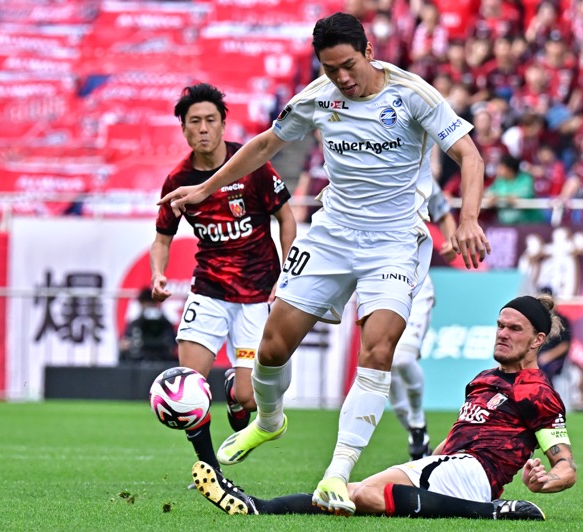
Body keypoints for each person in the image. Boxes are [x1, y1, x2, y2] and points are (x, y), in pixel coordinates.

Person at [158, 12, 490, 516]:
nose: (342, 78)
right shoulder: (318, 96)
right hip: (333, 234)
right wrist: (206, 188)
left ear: (369, 51)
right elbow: (268, 143)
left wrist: (467, 219)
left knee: (378, 348)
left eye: (349, 66)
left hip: (394, 241)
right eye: (331, 68)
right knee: (271, 348)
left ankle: (338, 471)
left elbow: (469, 155)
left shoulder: (412, 95)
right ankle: (269, 422)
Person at [189, 293, 576, 521]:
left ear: (538, 340)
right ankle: (260, 508)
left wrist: (547, 481)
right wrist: (429, 458)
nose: (502, 334)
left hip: (476, 474)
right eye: (500, 325)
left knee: (365, 497)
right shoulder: (484, 379)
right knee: (346, 493)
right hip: (448, 464)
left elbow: (565, 467)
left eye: (515, 329)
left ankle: (493, 512)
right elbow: (458, 438)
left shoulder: (536, 390)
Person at [151, 83, 297, 477]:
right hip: (209, 292)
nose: (203, 128)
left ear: (222, 124)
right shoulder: (177, 179)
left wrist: (286, 273)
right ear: (182, 128)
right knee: (187, 388)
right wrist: (158, 274)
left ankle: (235, 394)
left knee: (249, 398)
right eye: (194, 121)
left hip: (255, 296)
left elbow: (286, 218)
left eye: (210, 120)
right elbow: (162, 238)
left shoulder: (250, 164)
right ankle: (208, 470)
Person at [390, 180, 457, 461]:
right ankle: (416, 432)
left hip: (415, 286)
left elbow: (443, 211)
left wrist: (453, 238)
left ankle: (417, 422)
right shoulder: (362, 168)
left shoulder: (421, 177)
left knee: (401, 360)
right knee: (381, 370)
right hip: (375, 285)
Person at [118, 287, 177, 364]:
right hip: (139, 360)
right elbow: (125, 342)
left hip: (162, 359)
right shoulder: (135, 324)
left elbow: (172, 344)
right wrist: (128, 344)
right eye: (145, 303)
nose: (148, 306)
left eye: (151, 303)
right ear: (141, 304)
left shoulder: (165, 323)